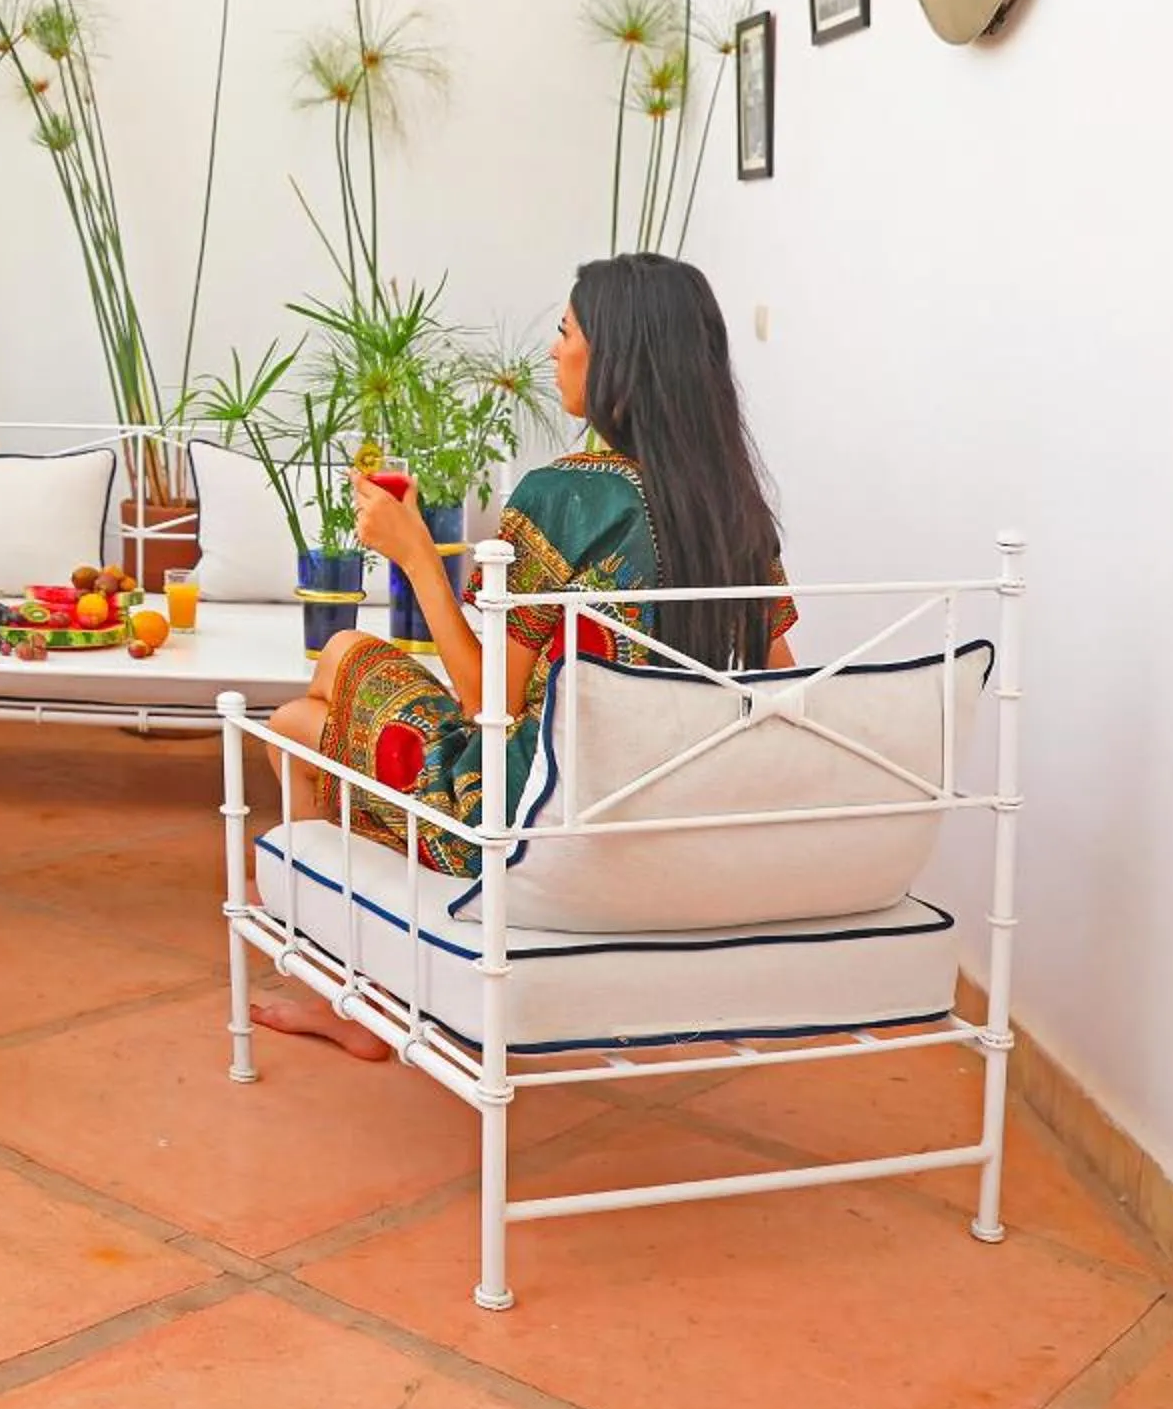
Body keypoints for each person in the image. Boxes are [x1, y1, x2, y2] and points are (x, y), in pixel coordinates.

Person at [255, 253, 798, 1059]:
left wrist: (415, 557)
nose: (553, 349)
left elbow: (486, 707)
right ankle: (371, 984)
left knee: (294, 725)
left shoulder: (564, 495)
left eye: (565, 330)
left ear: (618, 357)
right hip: (657, 806)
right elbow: (778, 679)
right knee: (341, 654)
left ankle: (360, 999)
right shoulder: (733, 507)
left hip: (523, 815)